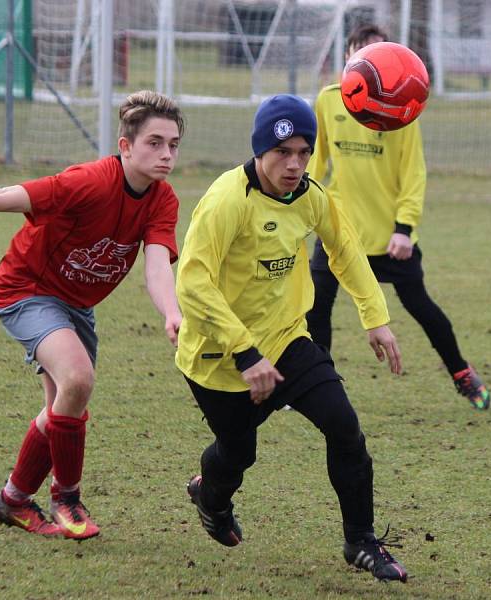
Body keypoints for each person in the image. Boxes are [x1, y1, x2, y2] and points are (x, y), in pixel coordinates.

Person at [0, 90, 184, 539]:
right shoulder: (87, 182)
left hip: (76, 305)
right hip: (27, 290)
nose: (166, 154)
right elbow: (4, 196)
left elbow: (157, 265)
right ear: (126, 145)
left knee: (63, 405)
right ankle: (66, 497)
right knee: (78, 380)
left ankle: (13, 500)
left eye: (173, 144)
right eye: (155, 142)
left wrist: (171, 312)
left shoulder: (162, 199)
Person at [176, 94, 409, 582]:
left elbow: (343, 248)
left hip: (286, 341)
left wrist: (375, 317)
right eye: (284, 152)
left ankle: (361, 540)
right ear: (260, 149)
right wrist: (245, 352)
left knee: (343, 425)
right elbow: (193, 282)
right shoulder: (226, 200)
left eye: (304, 153)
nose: (295, 164)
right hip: (219, 356)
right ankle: (210, 497)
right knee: (238, 454)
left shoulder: (310, 195)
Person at [306, 24, 491, 410]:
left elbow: (413, 174)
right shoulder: (328, 100)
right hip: (338, 231)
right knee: (317, 305)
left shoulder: (403, 109)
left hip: (389, 237)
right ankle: (311, 384)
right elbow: (314, 161)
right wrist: (301, 205)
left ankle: (461, 373)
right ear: (349, 58)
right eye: (365, 53)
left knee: (421, 307)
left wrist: (404, 228)